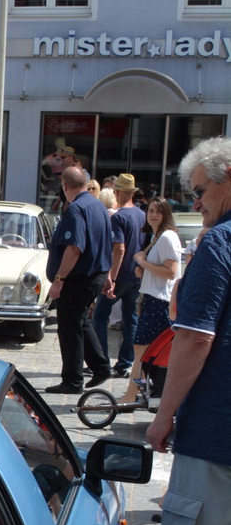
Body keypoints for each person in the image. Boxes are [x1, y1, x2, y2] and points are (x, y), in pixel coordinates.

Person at [146, 137, 231, 525]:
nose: (196, 203)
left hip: (216, 432)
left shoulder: (219, 247)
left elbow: (195, 339)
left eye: (199, 191)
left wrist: (162, 416)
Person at [44, 165, 113, 394]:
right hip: (94, 275)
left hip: (78, 279)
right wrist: (108, 275)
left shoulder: (76, 209)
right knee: (81, 322)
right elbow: (106, 245)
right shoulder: (98, 206)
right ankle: (101, 366)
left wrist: (59, 279)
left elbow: (74, 248)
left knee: (70, 327)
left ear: (64, 186)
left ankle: (73, 380)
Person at [118, 200, 182, 406]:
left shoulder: (167, 237)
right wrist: (144, 271)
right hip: (152, 299)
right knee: (142, 349)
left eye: (158, 212)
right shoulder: (156, 237)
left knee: (143, 350)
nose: (153, 215)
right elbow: (161, 271)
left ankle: (131, 394)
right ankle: (140, 390)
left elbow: (171, 272)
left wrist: (144, 263)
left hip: (160, 302)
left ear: (166, 215)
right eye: (151, 211)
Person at [92, 172, 145, 378]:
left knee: (99, 316)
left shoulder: (119, 216)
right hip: (136, 275)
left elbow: (119, 249)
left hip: (120, 275)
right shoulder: (141, 215)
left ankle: (102, 361)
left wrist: (111, 278)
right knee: (131, 319)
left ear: (118, 192)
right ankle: (125, 363)